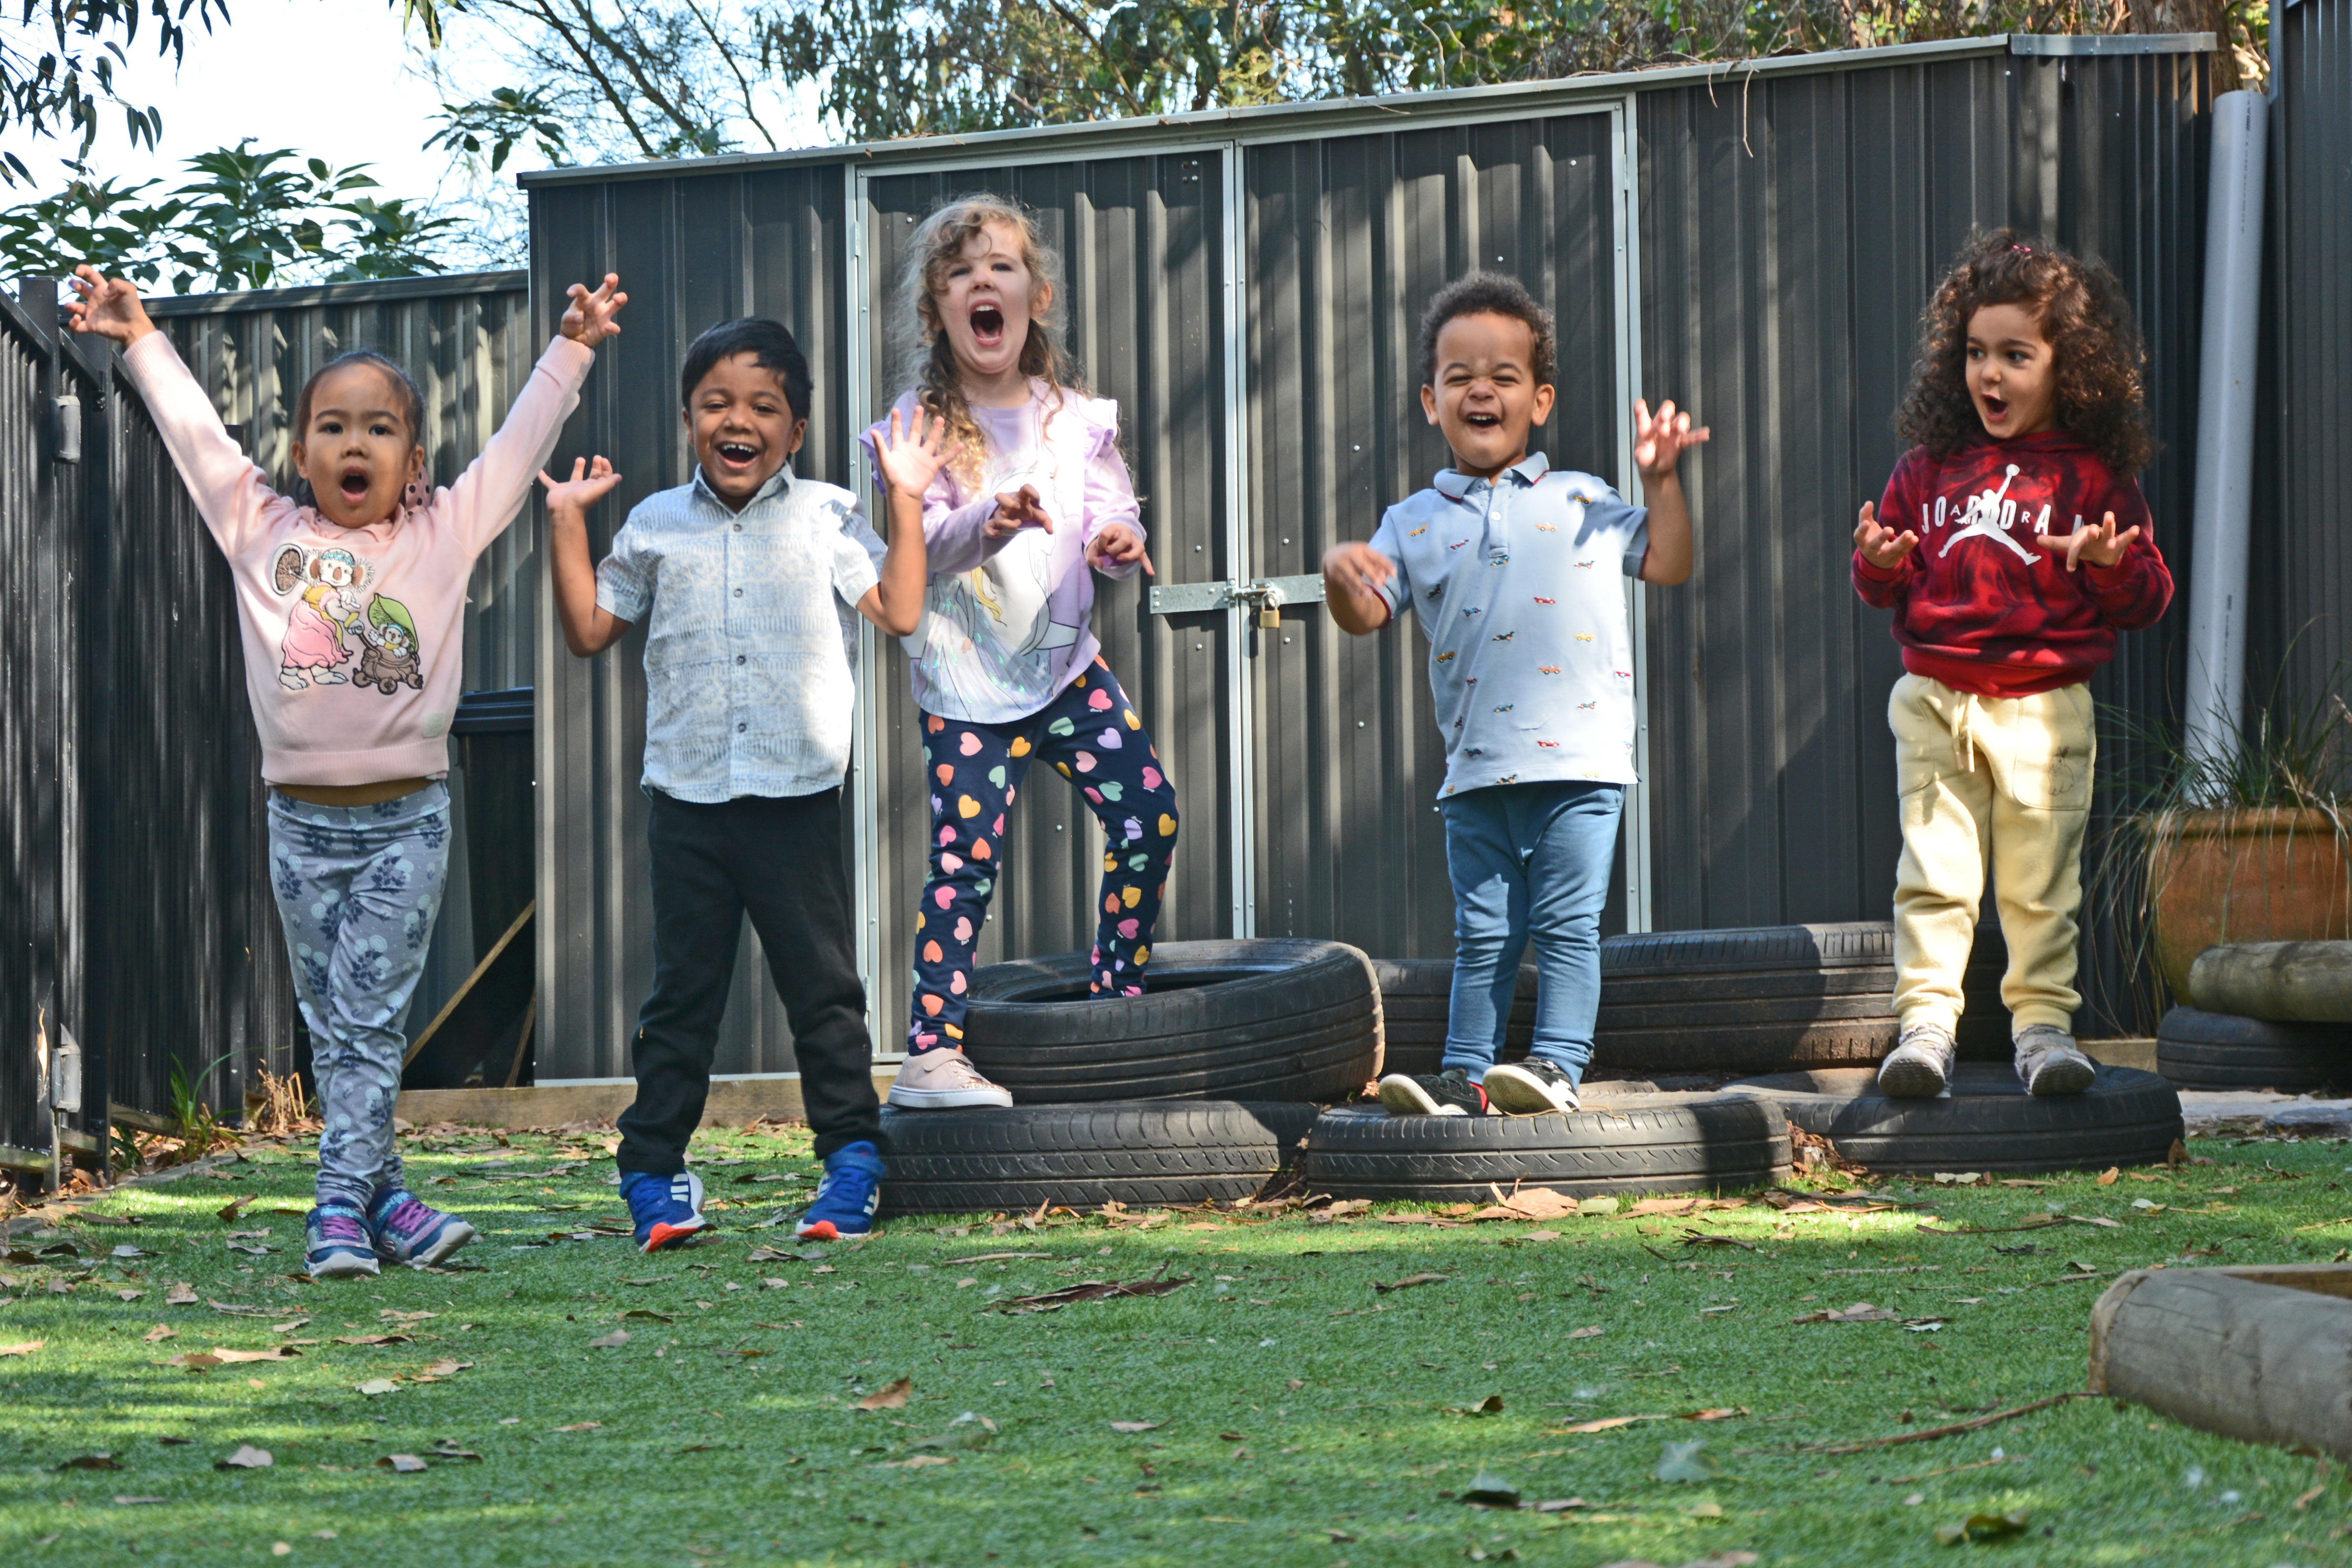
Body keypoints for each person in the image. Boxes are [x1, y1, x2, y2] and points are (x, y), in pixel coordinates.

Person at [68, 264, 624, 1277]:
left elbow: (512, 453)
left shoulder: (443, 534)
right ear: (299, 451)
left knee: (366, 1024)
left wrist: (572, 348)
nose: (353, 442)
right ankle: (391, 1201)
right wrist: (140, 333)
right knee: (341, 1036)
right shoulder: (262, 534)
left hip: (406, 825)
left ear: (413, 458)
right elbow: (198, 442)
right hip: (298, 828)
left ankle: (334, 1208)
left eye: (378, 427)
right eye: (332, 425)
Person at [544, 318, 935, 1246]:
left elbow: (903, 610)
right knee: (682, 998)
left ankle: (852, 1163)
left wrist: (908, 501)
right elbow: (589, 631)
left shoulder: (830, 513)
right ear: (689, 419)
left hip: (797, 798)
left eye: (765, 406)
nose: (739, 420)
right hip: (686, 801)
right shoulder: (653, 526)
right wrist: (566, 521)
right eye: (717, 403)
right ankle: (653, 1172)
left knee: (823, 991)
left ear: (795, 432)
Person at [1322, 272, 1707, 1117]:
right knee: (1485, 934)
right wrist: (1339, 580)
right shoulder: (1410, 521)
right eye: (1460, 377)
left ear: (1540, 399)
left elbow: (1670, 563)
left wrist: (1664, 481)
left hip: (1582, 763)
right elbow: (1365, 617)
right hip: (1475, 774)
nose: (1481, 389)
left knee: (1567, 927)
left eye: (1503, 375)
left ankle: (1559, 1068)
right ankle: (1465, 1073)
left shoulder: (1584, 498)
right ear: (1431, 401)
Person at [859, 193, 1174, 1111]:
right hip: (965, 687)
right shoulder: (916, 426)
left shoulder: (1074, 418)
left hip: (1068, 674)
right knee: (965, 862)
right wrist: (983, 520)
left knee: (1150, 817)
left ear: (1035, 297)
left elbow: (1114, 506)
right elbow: (913, 559)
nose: (980, 283)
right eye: (959, 273)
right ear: (937, 312)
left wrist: (1117, 539)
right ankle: (930, 1054)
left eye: (999, 267)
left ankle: (1117, 992)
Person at [1853, 230, 2172, 1099]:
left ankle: (2042, 1029)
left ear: (2070, 365)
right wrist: (1880, 561)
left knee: (2040, 886)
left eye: (2015, 356)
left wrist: (2111, 564)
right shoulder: (1928, 468)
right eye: (1975, 353)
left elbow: (2149, 597)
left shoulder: (2095, 479)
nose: (1989, 375)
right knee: (1935, 875)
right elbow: (1885, 583)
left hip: (2045, 709)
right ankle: (1925, 1027)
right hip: (1936, 700)